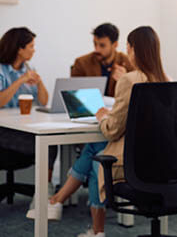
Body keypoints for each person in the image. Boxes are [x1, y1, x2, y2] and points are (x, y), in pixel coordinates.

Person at [32, 26, 168, 237]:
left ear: (131, 49)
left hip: (131, 163)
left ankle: (59, 202)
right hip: (159, 162)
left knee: (97, 154)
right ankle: (86, 224)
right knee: (97, 152)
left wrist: (102, 116)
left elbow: (112, 131)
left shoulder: (129, 79)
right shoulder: (167, 81)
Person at [0, 27, 58, 202]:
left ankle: (44, 191)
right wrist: (20, 81)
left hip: (22, 127)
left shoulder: (28, 68)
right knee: (45, 145)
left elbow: (43, 101)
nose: (34, 50)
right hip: (3, 131)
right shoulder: (1, 71)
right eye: (31, 46)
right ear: (19, 49)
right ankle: (43, 194)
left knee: (50, 141)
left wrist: (39, 83)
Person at [71, 23, 134, 97]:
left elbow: (136, 95)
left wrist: (126, 80)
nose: (97, 49)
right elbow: (73, 95)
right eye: (95, 44)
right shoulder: (81, 63)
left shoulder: (129, 62)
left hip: (117, 107)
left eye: (102, 45)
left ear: (115, 45)